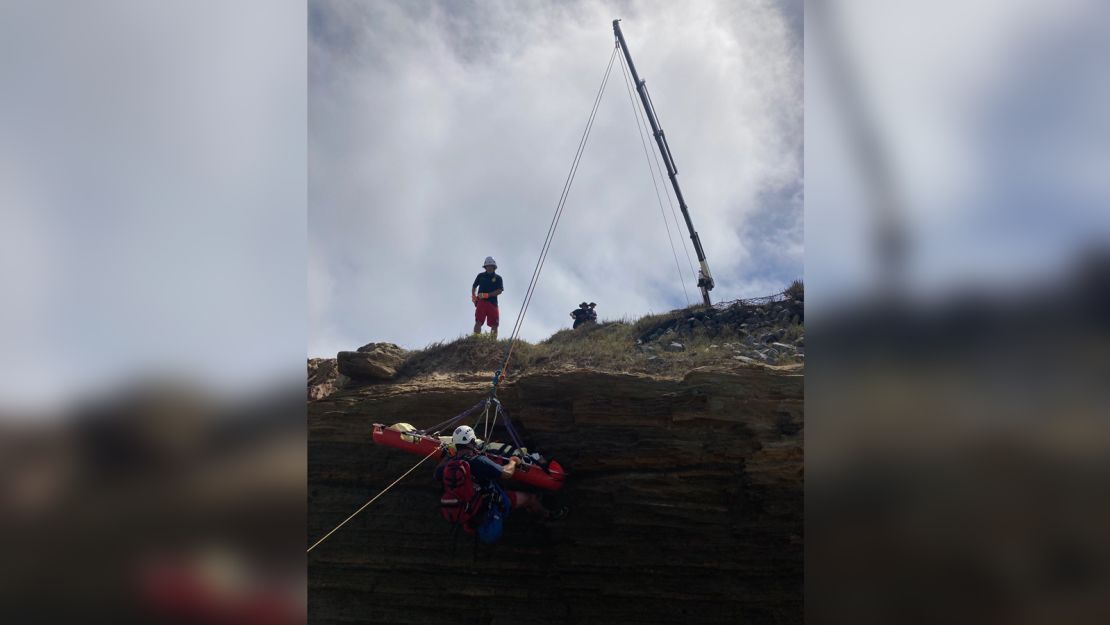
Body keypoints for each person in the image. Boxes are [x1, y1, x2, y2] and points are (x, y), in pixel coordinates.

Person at [434, 425, 566, 526]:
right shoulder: (478, 461)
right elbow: (506, 473)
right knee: (530, 498)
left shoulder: (450, 463)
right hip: (485, 506)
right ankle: (547, 516)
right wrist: (513, 461)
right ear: (472, 441)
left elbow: (436, 474)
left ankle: (532, 512)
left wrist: (449, 456)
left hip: (465, 506)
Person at [471, 256, 503, 339]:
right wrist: (474, 297)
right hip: (481, 302)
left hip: (493, 303)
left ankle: (492, 342)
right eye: (487, 266)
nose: (489, 268)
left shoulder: (498, 278)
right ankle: (476, 339)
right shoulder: (480, 276)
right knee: (478, 321)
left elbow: (499, 290)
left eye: (491, 266)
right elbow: (474, 287)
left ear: (494, 267)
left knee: (495, 324)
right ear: (485, 267)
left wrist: (487, 295)